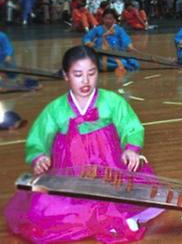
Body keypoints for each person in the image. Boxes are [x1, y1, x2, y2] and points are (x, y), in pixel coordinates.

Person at [4, 46, 162, 242]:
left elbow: (130, 126)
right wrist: (40, 156)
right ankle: (109, 217)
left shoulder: (111, 101)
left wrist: (131, 149)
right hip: (73, 168)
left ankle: (115, 216)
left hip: (109, 163)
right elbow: (39, 136)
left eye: (91, 73)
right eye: (78, 74)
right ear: (66, 76)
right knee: (51, 209)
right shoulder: (56, 109)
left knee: (124, 193)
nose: (85, 81)